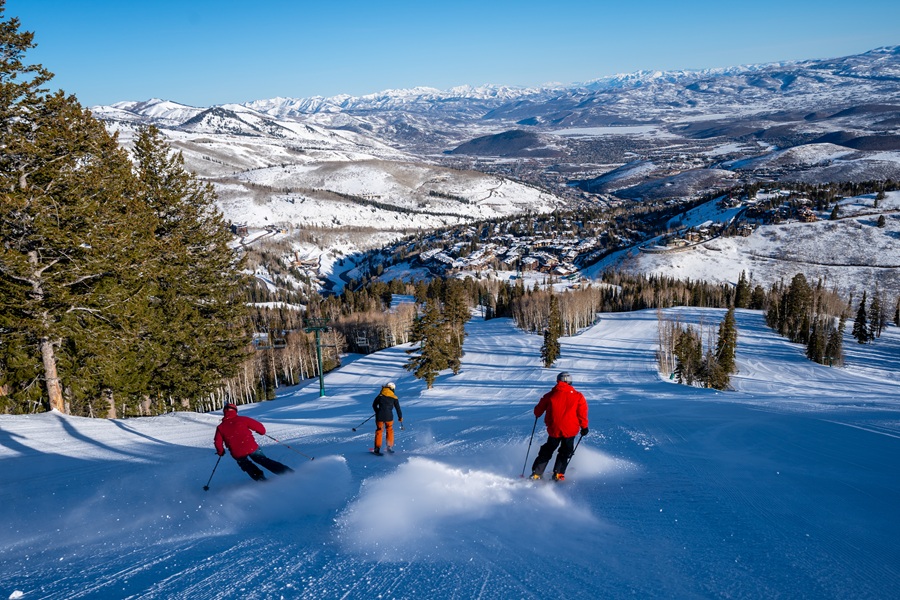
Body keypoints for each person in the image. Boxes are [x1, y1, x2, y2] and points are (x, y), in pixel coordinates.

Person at [530, 371, 588, 482]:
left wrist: (538, 414)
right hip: (570, 430)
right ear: (570, 382)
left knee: (548, 449)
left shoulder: (550, 395)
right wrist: (584, 427)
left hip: (554, 429)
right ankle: (558, 473)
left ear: (558, 381)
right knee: (566, 451)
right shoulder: (578, 396)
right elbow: (582, 413)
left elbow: (538, 410)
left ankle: (537, 473)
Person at [214, 403, 293, 481]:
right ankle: (287, 472)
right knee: (263, 460)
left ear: (224, 412)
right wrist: (261, 432)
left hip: (237, 452)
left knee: (246, 465)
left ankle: (260, 479)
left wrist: (220, 451)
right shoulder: (243, 419)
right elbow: (260, 428)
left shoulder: (220, 427)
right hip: (251, 447)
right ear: (235, 411)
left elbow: (218, 442)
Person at [372, 382, 403, 455]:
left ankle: (377, 448)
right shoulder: (394, 397)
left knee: (379, 431)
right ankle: (389, 447)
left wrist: (377, 411)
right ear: (392, 389)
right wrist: (400, 417)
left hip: (379, 416)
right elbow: (398, 408)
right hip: (389, 417)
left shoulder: (380, 395)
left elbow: (374, 405)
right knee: (389, 430)